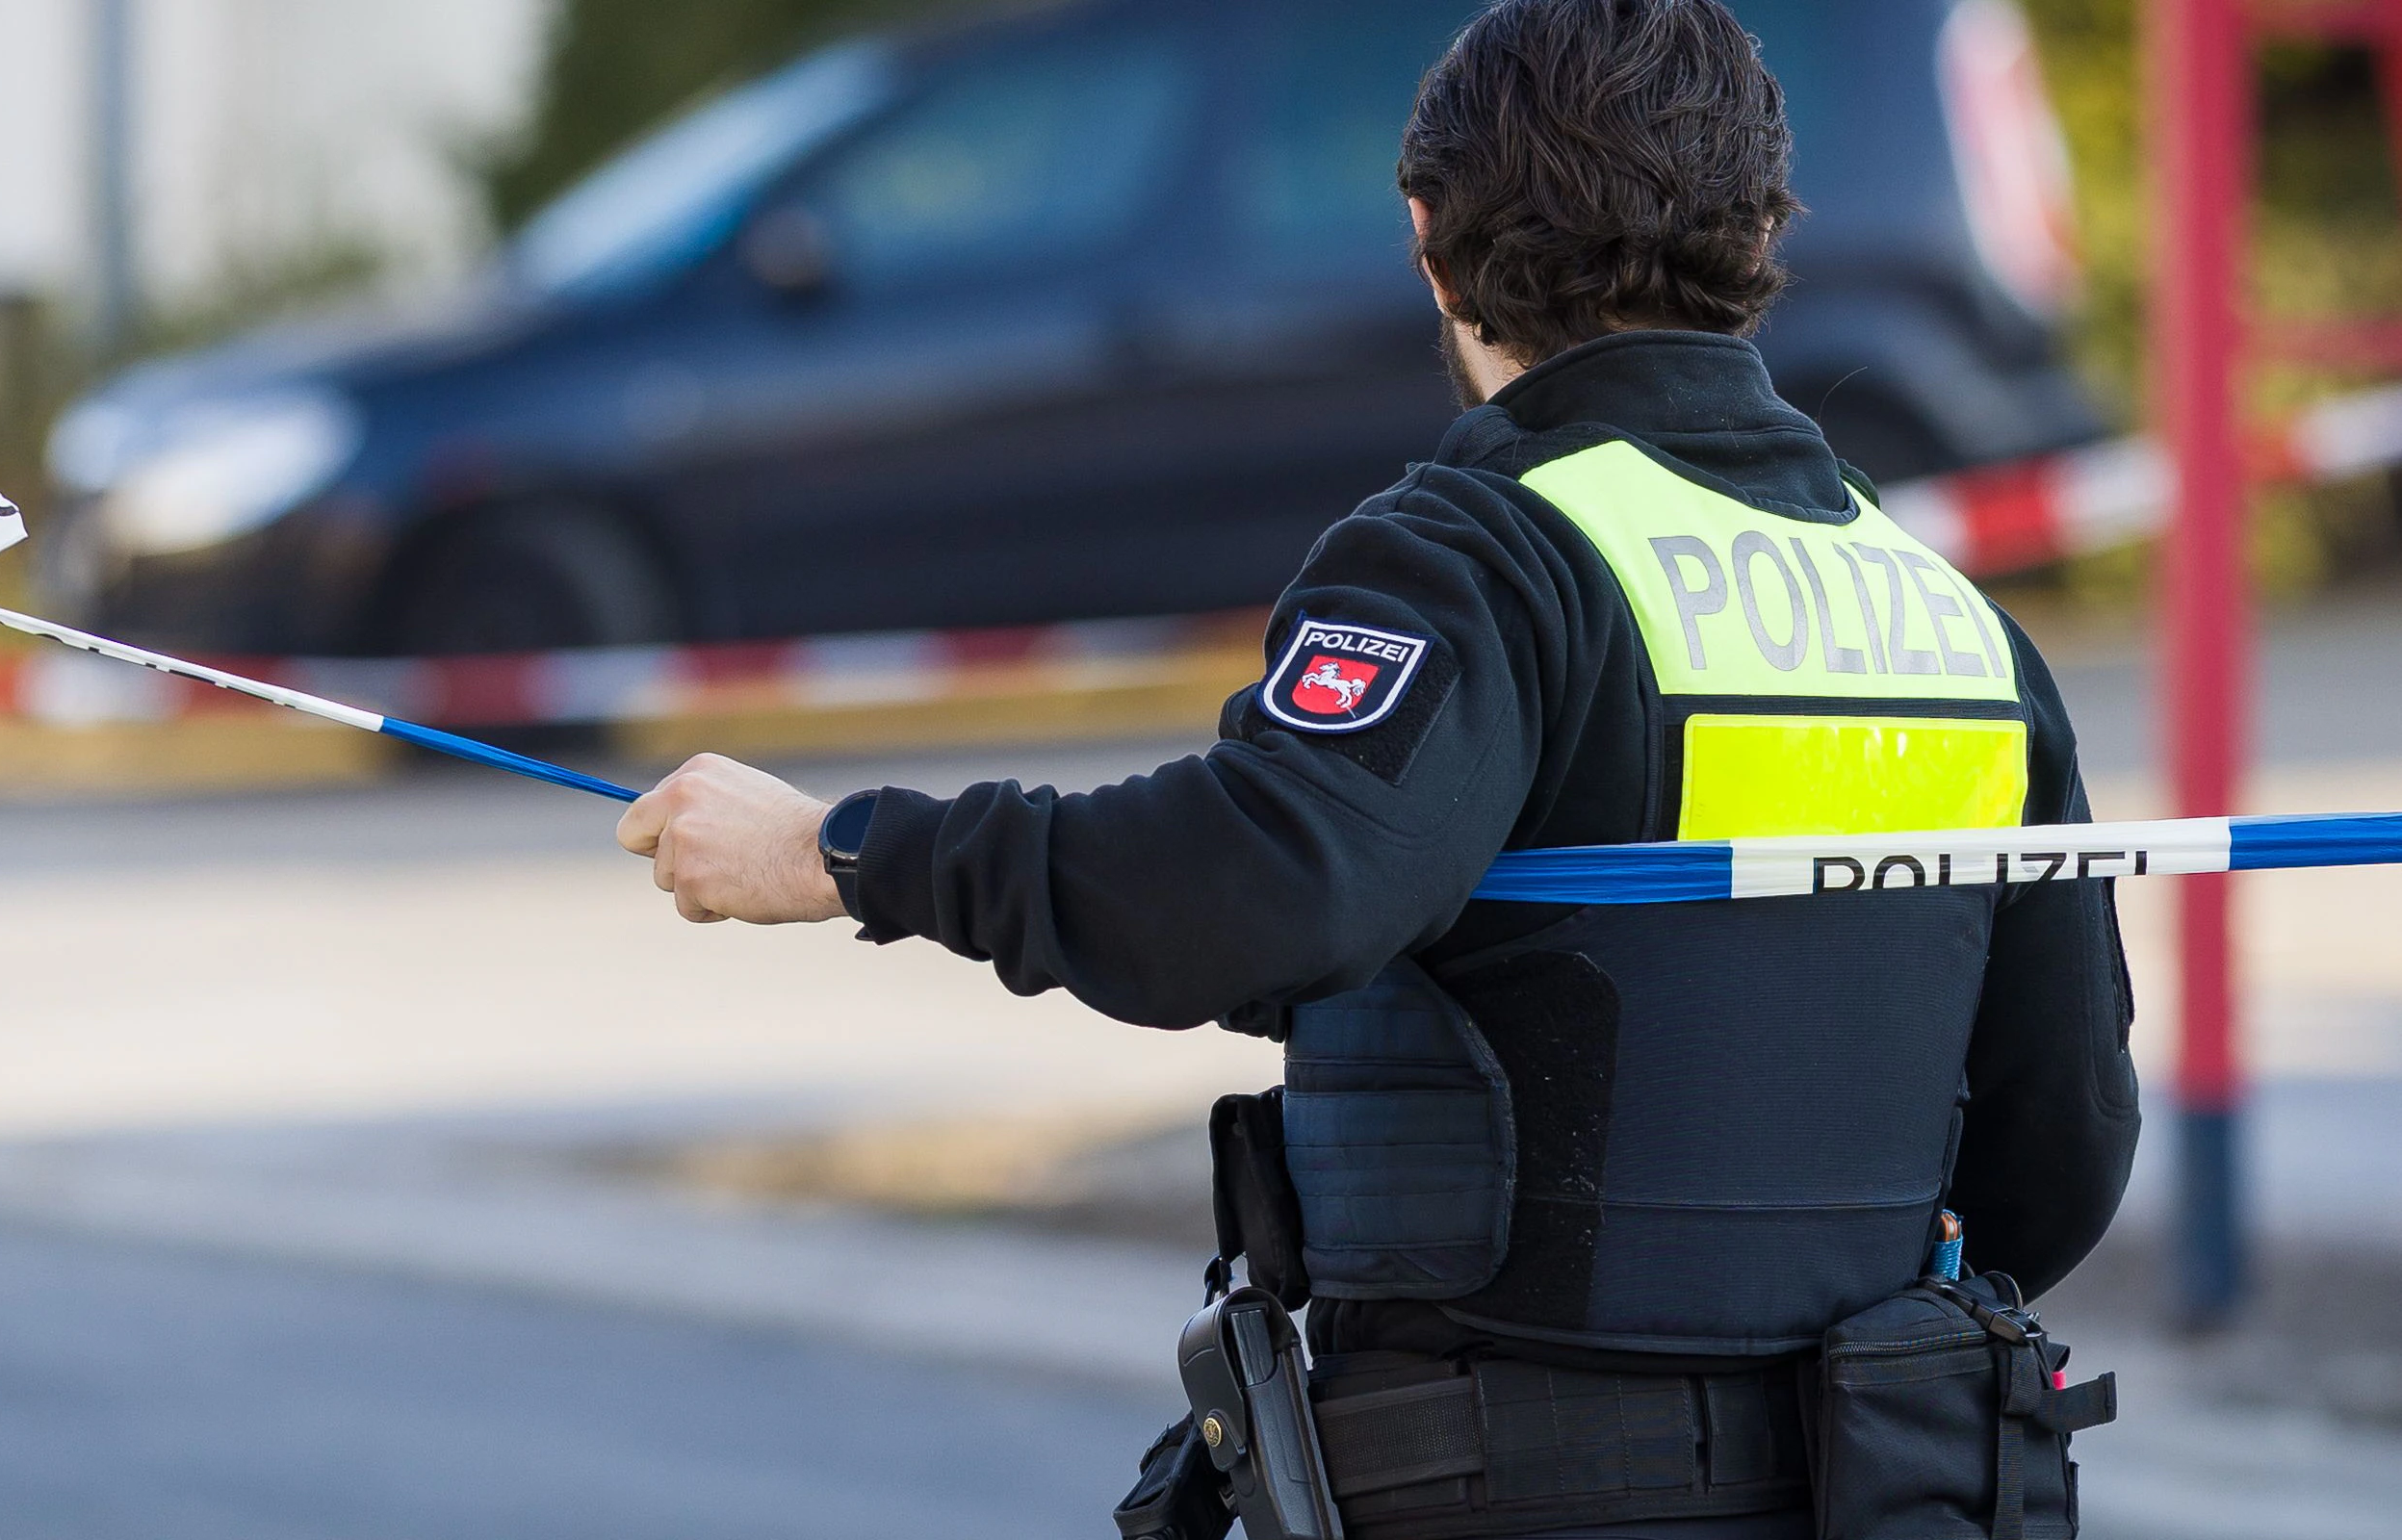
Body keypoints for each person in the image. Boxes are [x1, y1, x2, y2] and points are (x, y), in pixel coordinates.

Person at [615, 1, 2139, 1534]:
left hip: (1517, 1481)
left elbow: (1267, 881)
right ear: (1757, 233)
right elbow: (2059, 1148)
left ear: (1431, 240)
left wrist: (849, 853)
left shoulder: (1483, 555)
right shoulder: (1955, 627)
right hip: (1880, 1483)